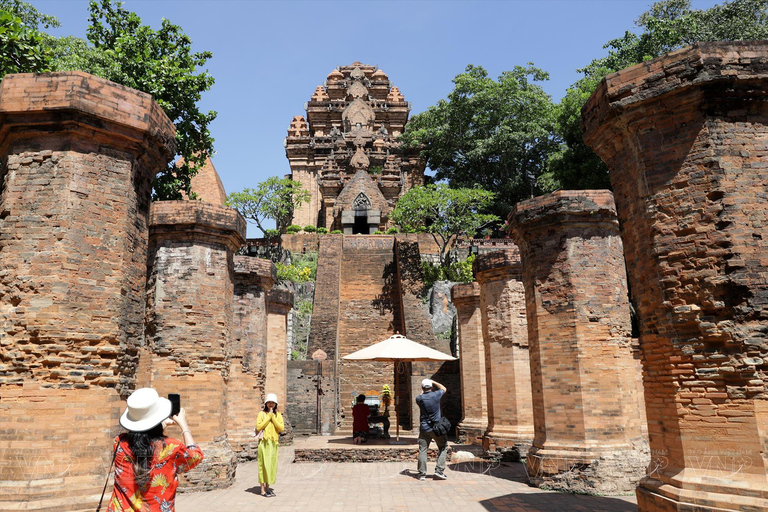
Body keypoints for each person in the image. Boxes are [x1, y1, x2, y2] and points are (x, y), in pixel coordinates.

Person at [107, 388, 203, 512]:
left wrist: (159, 424)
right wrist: (184, 425)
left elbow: (143, 441)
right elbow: (196, 456)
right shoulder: (172, 448)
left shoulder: (119, 443)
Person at [415, 378, 448, 481]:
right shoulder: (436, 395)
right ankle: (439, 471)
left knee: (423, 450)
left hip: (424, 429)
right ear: (432, 387)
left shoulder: (418, 398)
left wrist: (423, 389)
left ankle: (422, 474)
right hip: (437, 428)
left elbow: (422, 395)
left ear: (422, 387)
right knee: (443, 447)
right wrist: (433, 381)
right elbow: (443, 388)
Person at [255, 393, 284, 497]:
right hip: (264, 443)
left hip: (273, 443)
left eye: (273, 402)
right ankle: (262, 489)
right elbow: (258, 427)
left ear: (275, 404)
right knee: (263, 465)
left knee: (271, 465)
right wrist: (268, 417)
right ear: (266, 403)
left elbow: (281, 428)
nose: (271, 404)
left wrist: (273, 417)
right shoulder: (261, 414)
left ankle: (268, 487)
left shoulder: (278, 415)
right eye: (269, 402)